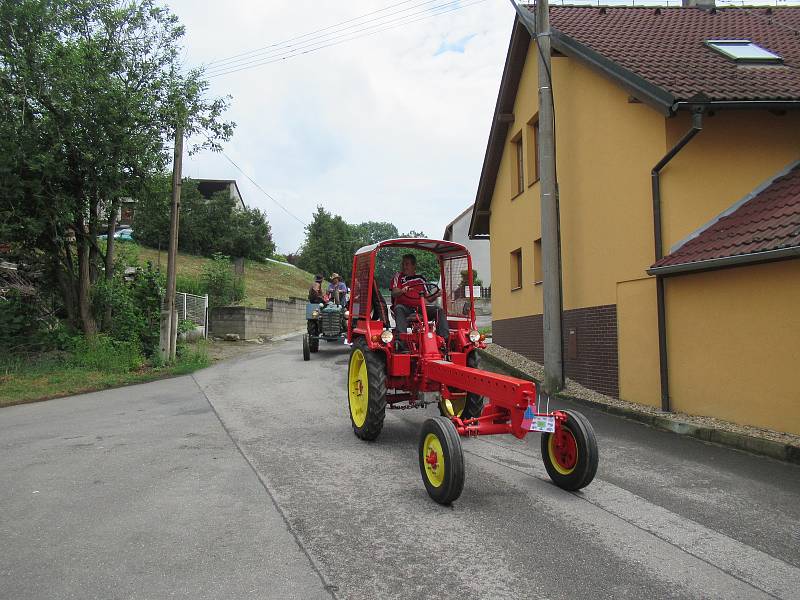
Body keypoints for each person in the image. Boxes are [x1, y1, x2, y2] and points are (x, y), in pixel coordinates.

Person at [390, 253, 449, 347]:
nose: (404, 267)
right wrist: (402, 291)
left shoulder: (421, 279)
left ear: (413, 266)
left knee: (439, 310)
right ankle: (402, 340)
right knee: (399, 308)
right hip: (405, 308)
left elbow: (428, 298)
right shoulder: (398, 277)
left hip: (420, 308)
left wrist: (436, 295)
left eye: (407, 264)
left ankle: (443, 340)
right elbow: (394, 292)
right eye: (403, 264)